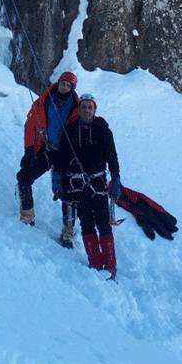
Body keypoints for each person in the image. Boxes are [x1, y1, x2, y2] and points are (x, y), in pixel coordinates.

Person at [53, 93, 122, 277]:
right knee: (87, 224)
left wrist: (116, 178)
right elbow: (61, 159)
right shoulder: (70, 131)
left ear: (94, 109)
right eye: (83, 106)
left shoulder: (103, 130)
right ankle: (95, 263)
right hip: (77, 184)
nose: (86, 110)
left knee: (103, 223)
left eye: (89, 107)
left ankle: (110, 265)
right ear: (79, 108)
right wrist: (59, 182)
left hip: (97, 183)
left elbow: (112, 157)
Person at [16, 71, 79, 245]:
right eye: (63, 83)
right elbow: (30, 125)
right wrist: (29, 150)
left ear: (72, 88)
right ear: (58, 82)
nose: (64, 87)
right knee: (24, 177)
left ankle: (68, 233)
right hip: (46, 149)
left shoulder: (76, 107)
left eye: (68, 85)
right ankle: (27, 216)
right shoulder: (44, 100)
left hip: (64, 153)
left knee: (67, 191)